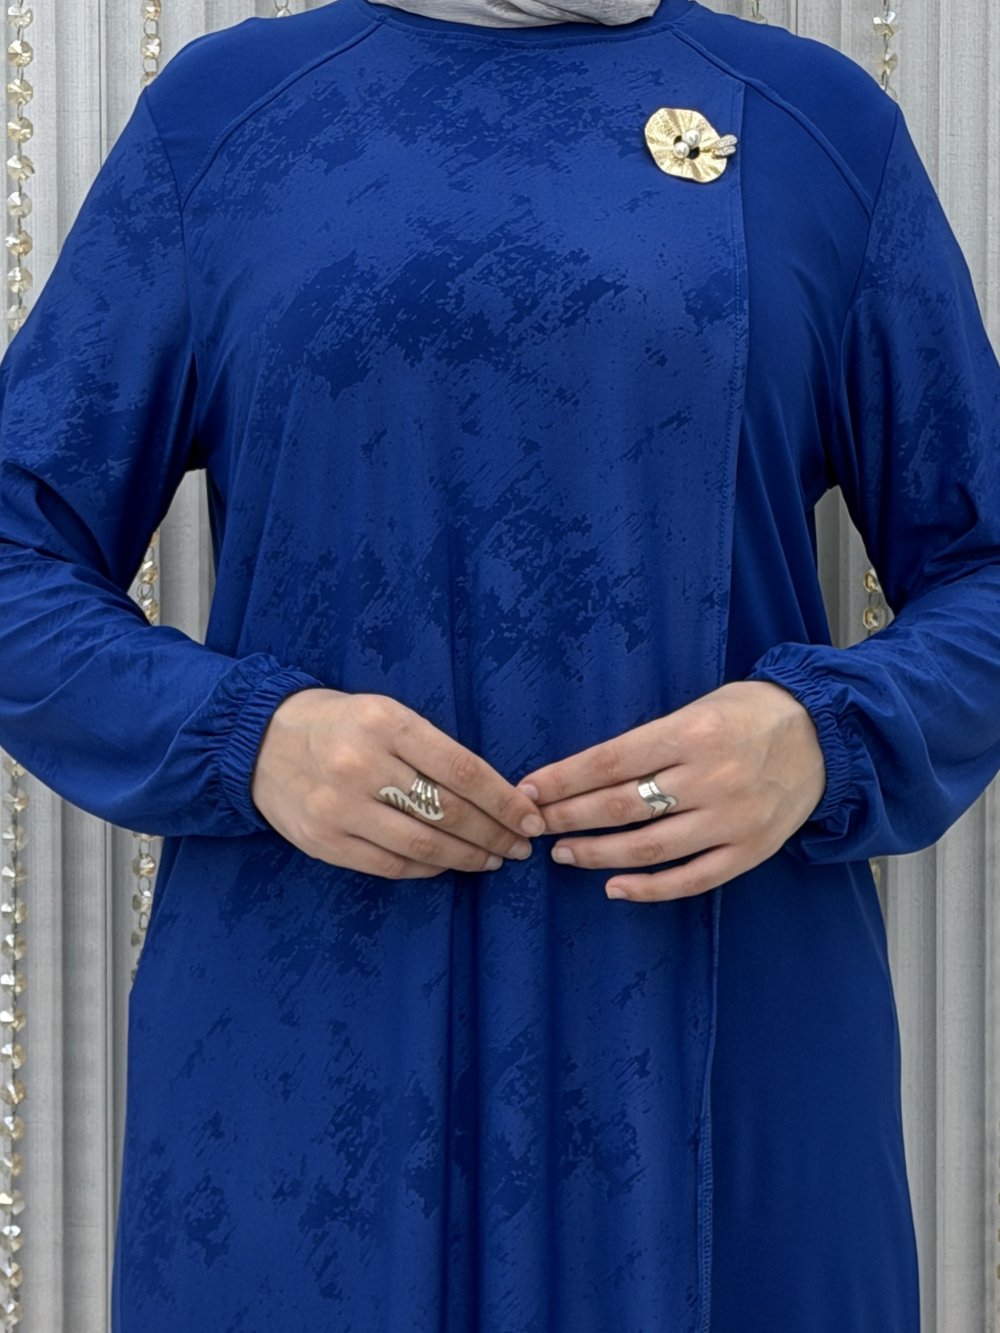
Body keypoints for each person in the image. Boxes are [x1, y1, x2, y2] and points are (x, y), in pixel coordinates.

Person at [0, 0, 996, 1327]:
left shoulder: (821, 130)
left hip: (726, 1047)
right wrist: (246, 738)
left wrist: (826, 735)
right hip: (313, 1060)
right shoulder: (226, 119)